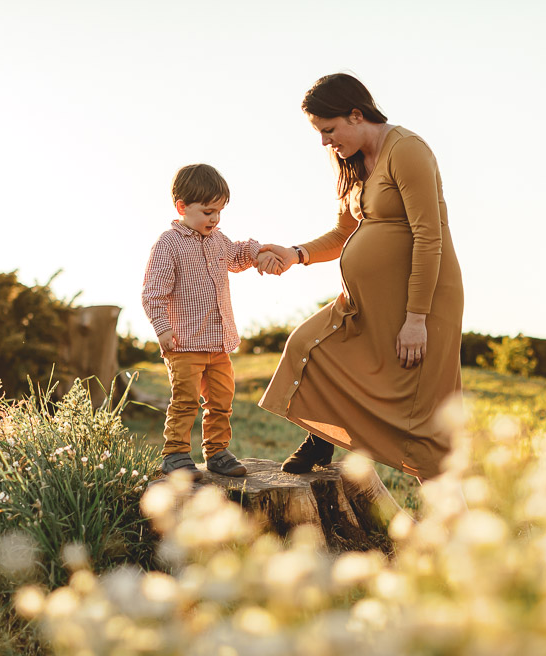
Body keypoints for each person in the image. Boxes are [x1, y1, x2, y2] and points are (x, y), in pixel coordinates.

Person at [258, 73, 465, 484]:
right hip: (366, 302)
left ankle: (452, 527)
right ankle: (321, 437)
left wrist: (417, 318)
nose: (324, 142)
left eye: (329, 130)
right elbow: (343, 233)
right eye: (319, 132)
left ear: (357, 115)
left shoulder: (407, 151)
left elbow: (429, 236)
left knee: (422, 421)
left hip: (423, 302)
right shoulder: (349, 161)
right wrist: (296, 255)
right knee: (307, 345)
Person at [142, 164, 281, 481]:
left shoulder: (218, 240)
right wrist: (162, 328)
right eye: (208, 211)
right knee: (186, 401)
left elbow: (238, 253)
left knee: (221, 400)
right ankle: (175, 454)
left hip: (219, 344)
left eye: (219, 211)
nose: (215, 218)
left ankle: (217, 452)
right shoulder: (169, 244)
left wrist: (259, 254)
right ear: (182, 207)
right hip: (185, 344)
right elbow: (153, 293)